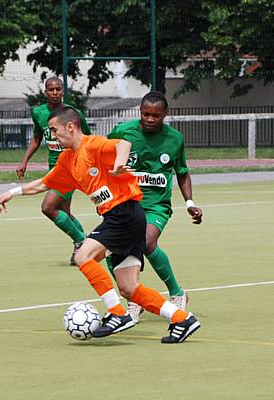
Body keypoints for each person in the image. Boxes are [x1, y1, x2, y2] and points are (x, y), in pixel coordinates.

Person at [0, 107, 201, 343]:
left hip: (123, 213)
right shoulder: (67, 159)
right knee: (128, 288)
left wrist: (120, 164)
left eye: (54, 130)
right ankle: (182, 319)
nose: (51, 136)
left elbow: (122, 145)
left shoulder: (92, 145)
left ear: (70, 127)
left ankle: (116, 313)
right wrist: (11, 192)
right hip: (123, 217)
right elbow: (44, 183)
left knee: (84, 255)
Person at [108, 91, 203, 323]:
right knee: (110, 251)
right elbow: (103, 157)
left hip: (156, 206)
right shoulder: (123, 131)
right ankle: (134, 298)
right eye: (146, 114)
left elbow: (182, 173)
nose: (150, 119)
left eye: (156, 115)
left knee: (147, 242)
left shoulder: (174, 139)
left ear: (165, 114)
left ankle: (177, 293)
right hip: (125, 203)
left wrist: (189, 203)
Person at [16, 77, 91, 265]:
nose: (55, 93)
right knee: (64, 211)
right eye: (51, 89)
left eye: (58, 89)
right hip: (54, 168)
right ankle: (87, 245)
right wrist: (24, 161)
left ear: (63, 91)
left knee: (49, 207)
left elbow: (88, 138)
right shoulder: (39, 113)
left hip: (72, 168)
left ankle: (81, 241)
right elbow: (37, 138)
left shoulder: (73, 113)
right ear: (45, 92)